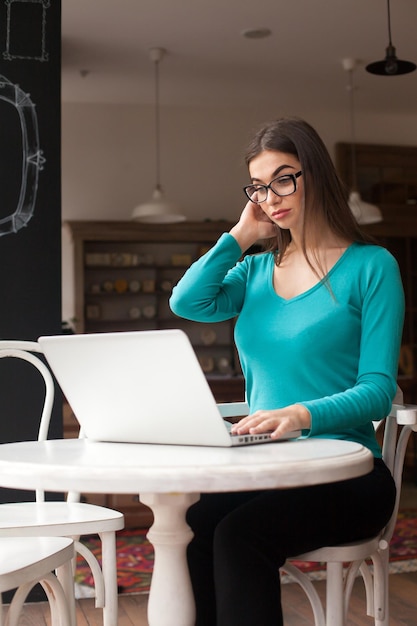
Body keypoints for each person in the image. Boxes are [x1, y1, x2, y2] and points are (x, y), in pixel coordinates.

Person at [169, 117, 404, 626]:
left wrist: (299, 414)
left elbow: (379, 391)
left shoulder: (372, 266)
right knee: (193, 524)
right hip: (267, 468)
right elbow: (187, 301)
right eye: (257, 187)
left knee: (238, 535)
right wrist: (240, 235)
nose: (270, 196)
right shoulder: (253, 271)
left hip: (348, 471)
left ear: (314, 174)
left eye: (282, 178)